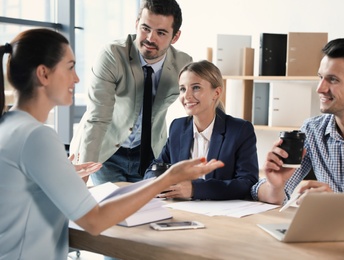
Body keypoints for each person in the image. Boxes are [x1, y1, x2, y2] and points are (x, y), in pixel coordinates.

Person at [0, 28, 224, 260]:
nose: (76, 78)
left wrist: (60, 174)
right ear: (44, 74)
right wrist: (166, 179)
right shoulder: (37, 137)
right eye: (70, 67)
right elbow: (95, 221)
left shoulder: (9, 126)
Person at [251, 37, 344, 205]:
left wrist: (337, 204)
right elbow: (269, 195)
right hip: (326, 229)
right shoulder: (312, 129)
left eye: (333, 79)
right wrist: (275, 185)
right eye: (320, 77)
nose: (320, 89)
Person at [69, 0, 192, 185]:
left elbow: (200, 105)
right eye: (145, 28)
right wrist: (83, 173)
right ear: (136, 24)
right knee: (111, 210)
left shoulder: (183, 64)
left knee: (149, 212)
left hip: (149, 155)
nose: (150, 38)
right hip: (105, 152)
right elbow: (97, 118)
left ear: (175, 37)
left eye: (161, 32)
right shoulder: (112, 55)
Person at [144, 60, 259, 200]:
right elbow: (155, 167)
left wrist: (195, 189)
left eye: (196, 88)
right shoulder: (178, 127)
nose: (186, 96)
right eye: (182, 89)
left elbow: (247, 183)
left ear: (216, 93)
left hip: (221, 213)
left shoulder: (240, 130)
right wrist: (157, 182)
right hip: (181, 208)